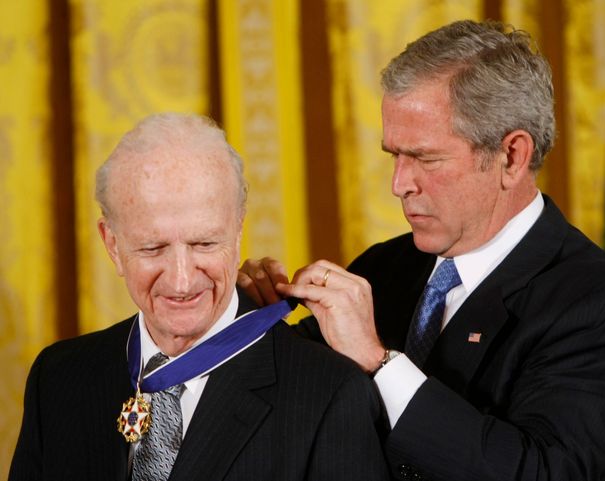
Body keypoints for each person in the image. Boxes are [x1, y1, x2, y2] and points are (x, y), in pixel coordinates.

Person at [238, 20, 605, 481]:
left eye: (425, 158)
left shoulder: (603, 310)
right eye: (393, 156)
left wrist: (379, 363)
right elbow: (279, 400)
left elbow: (545, 474)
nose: (399, 184)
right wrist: (245, 318)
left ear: (512, 157)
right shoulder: (384, 269)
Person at [9, 113, 389, 481]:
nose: (181, 280)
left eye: (204, 243)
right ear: (111, 243)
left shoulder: (328, 394)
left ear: (238, 231)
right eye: (152, 248)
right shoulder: (58, 378)